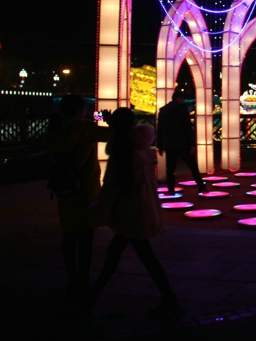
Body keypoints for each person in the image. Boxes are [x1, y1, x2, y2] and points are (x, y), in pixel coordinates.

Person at [88, 108, 179, 318]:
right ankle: (168, 298)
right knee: (131, 255)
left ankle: (91, 297)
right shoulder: (142, 145)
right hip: (142, 208)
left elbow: (113, 186)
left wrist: (101, 210)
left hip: (129, 212)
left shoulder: (122, 150)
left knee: (130, 257)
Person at [45, 94, 111, 305]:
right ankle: (83, 279)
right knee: (85, 238)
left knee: (69, 235)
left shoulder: (55, 129)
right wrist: (109, 120)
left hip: (65, 188)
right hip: (85, 189)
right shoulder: (85, 128)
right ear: (79, 111)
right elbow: (115, 135)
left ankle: (71, 278)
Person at [156, 91, 207, 194]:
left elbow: (160, 129)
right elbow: (187, 127)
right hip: (183, 142)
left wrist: (160, 146)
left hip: (169, 143)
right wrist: (192, 144)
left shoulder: (163, 110)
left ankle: (171, 189)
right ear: (179, 98)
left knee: (170, 168)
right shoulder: (182, 109)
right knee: (192, 166)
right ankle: (201, 186)